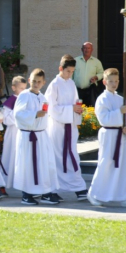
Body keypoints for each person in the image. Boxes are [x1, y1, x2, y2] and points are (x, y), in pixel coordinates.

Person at [88, 68, 126, 208]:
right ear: (104, 82)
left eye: (116, 81)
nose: (114, 84)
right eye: (111, 81)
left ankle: (124, 196)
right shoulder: (102, 99)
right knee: (106, 164)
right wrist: (119, 113)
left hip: (121, 136)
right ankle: (94, 193)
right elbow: (103, 119)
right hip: (109, 135)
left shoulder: (120, 99)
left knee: (123, 166)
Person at [45, 55, 88, 201]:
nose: (70, 74)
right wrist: (71, 109)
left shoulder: (71, 84)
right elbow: (52, 108)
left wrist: (77, 109)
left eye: (72, 72)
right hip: (57, 128)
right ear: (60, 69)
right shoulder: (54, 85)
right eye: (68, 71)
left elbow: (75, 101)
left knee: (72, 156)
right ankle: (55, 189)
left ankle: (78, 186)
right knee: (59, 158)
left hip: (70, 125)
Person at [14, 68, 60, 205]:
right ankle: (26, 193)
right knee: (28, 164)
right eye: (34, 81)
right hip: (28, 136)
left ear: (43, 83)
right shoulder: (24, 95)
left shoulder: (43, 97)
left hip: (41, 135)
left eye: (39, 82)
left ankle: (44, 192)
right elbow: (18, 114)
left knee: (44, 164)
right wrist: (34, 114)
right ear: (29, 80)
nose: (36, 84)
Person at [1, 75, 27, 190]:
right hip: (12, 133)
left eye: (25, 88)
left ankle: (23, 185)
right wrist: (18, 112)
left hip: (23, 132)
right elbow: (6, 119)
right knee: (9, 158)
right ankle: (3, 184)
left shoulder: (26, 99)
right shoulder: (10, 101)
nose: (23, 91)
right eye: (21, 88)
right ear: (14, 88)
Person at [73, 42, 104, 106]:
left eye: (88, 48)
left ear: (92, 50)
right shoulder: (75, 61)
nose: (86, 50)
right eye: (85, 48)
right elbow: (70, 74)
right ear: (82, 49)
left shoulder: (96, 62)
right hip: (77, 90)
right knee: (77, 108)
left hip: (90, 90)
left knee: (90, 108)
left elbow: (102, 73)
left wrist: (96, 77)